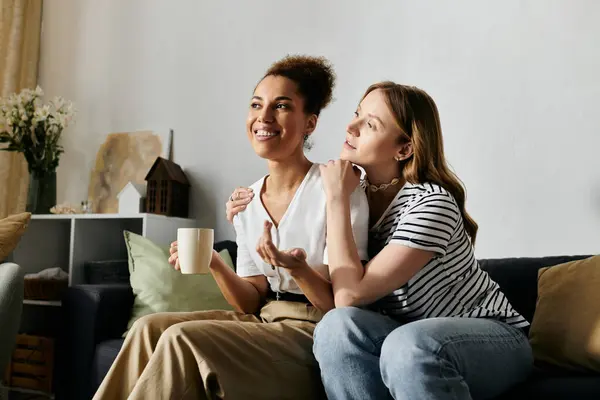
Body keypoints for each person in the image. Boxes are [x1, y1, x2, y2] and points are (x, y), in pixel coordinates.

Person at [227, 82, 533, 400]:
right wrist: (242, 215)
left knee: (408, 345)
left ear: (404, 149)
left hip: (490, 338)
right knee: (336, 327)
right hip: (401, 335)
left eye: (370, 124)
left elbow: (350, 294)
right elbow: (318, 276)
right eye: (357, 114)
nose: (351, 126)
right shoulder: (353, 194)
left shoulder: (430, 203)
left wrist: (335, 199)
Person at [92, 55, 368, 400]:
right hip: (265, 321)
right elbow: (250, 302)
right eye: (256, 104)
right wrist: (213, 262)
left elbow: (339, 306)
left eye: (281, 106)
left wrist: (296, 269)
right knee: (147, 327)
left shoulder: (337, 188)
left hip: (314, 333)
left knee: (182, 338)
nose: (263, 117)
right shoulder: (247, 201)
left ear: (309, 123)